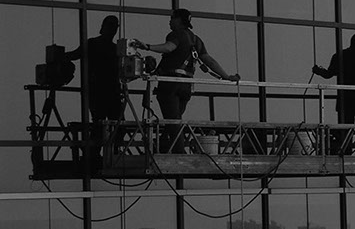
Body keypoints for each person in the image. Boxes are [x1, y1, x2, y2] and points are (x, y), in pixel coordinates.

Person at [132, 8, 239, 153]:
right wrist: (226, 76)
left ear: (178, 20)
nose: (169, 21)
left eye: (172, 18)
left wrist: (148, 47)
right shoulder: (196, 40)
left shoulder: (176, 35)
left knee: (173, 122)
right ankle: (167, 146)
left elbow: (169, 48)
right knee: (175, 119)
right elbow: (209, 61)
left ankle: (178, 151)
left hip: (170, 86)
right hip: (186, 87)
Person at [312, 31, 355, 152]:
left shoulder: (339, 55)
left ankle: (345, 154)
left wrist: (318, 71)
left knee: (345, 131)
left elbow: (328, 74)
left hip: (344, 99)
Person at [65, 16, 124, 123]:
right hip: (101, 91)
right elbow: (75, 54)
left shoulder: (109, 47)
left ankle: (102, 139)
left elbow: (75, 55)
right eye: (111, 26)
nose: (113, 29)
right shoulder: (95, 44)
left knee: (111, 124)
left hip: (103, 90)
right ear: (103, 27)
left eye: (115, 26)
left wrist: (59, 56)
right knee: (111, 124)